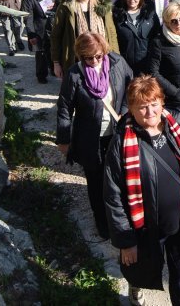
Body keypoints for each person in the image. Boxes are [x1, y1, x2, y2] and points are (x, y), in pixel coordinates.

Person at [103, 76, 180, 306]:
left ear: (162, 103)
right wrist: (125, 240)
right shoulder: (121, 143)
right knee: (141, 268)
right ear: (131, 109)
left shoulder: (179, 127)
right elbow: (113, 196)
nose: (149, 111)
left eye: (154, 104)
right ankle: (136, 286)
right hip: (145, 228)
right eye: (142, 107)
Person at [56, 32, 133, 240]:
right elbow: (64, 108)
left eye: (98, 56)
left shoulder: (117, 63)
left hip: (116, 134)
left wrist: (125, 111)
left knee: (120, 179)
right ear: (81, 56)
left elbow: (130, 87)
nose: (94, 61)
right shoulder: (75, 74)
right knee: (96, 182)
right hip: (90, 139)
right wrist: (64, 139)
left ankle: (123, 219)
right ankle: (102, 223)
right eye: (89, 58)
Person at [51, 0, 120, 79]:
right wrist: (56, 63)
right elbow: (56, 36)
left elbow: (111, 32)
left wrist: (116, 56)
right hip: (77, 60)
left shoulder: (101, 4)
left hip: (101, 59)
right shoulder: (66, 7)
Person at [147, 3, 180, 123]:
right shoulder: (159, 43)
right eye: (173, 21)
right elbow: (153, 72)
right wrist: (173, 91)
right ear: (166, 23)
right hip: (174, 101)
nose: (179, 24)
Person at [114, 0, 160, 76]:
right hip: (125, 66)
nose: (132, 0)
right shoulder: (117, 16)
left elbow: (157, 37)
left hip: (147, 66)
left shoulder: (150, 15)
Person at [23, 0, 58, 83]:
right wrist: (31, 33)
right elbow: (28, 15)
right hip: (39, 27)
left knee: (53, 49)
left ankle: (54, 69)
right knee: (41, 52)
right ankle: (41, 75)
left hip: (53, 24)